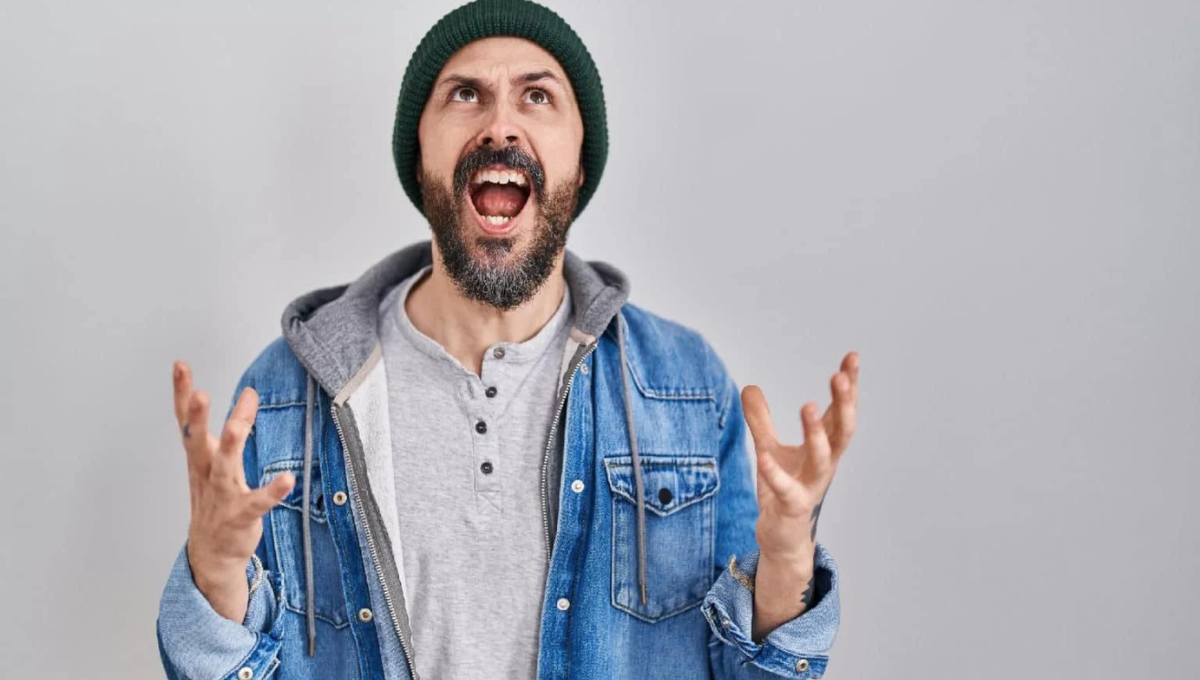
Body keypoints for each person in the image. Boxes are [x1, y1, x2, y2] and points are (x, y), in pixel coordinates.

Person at [156, 0, 859, 678]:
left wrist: (785, 561)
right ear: (420, 156)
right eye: (465, 94)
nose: (500, 126)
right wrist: (215, 572)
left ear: (579, 162)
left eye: (538, 97)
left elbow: (752, 675)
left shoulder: (685, 384)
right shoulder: (283, 394)